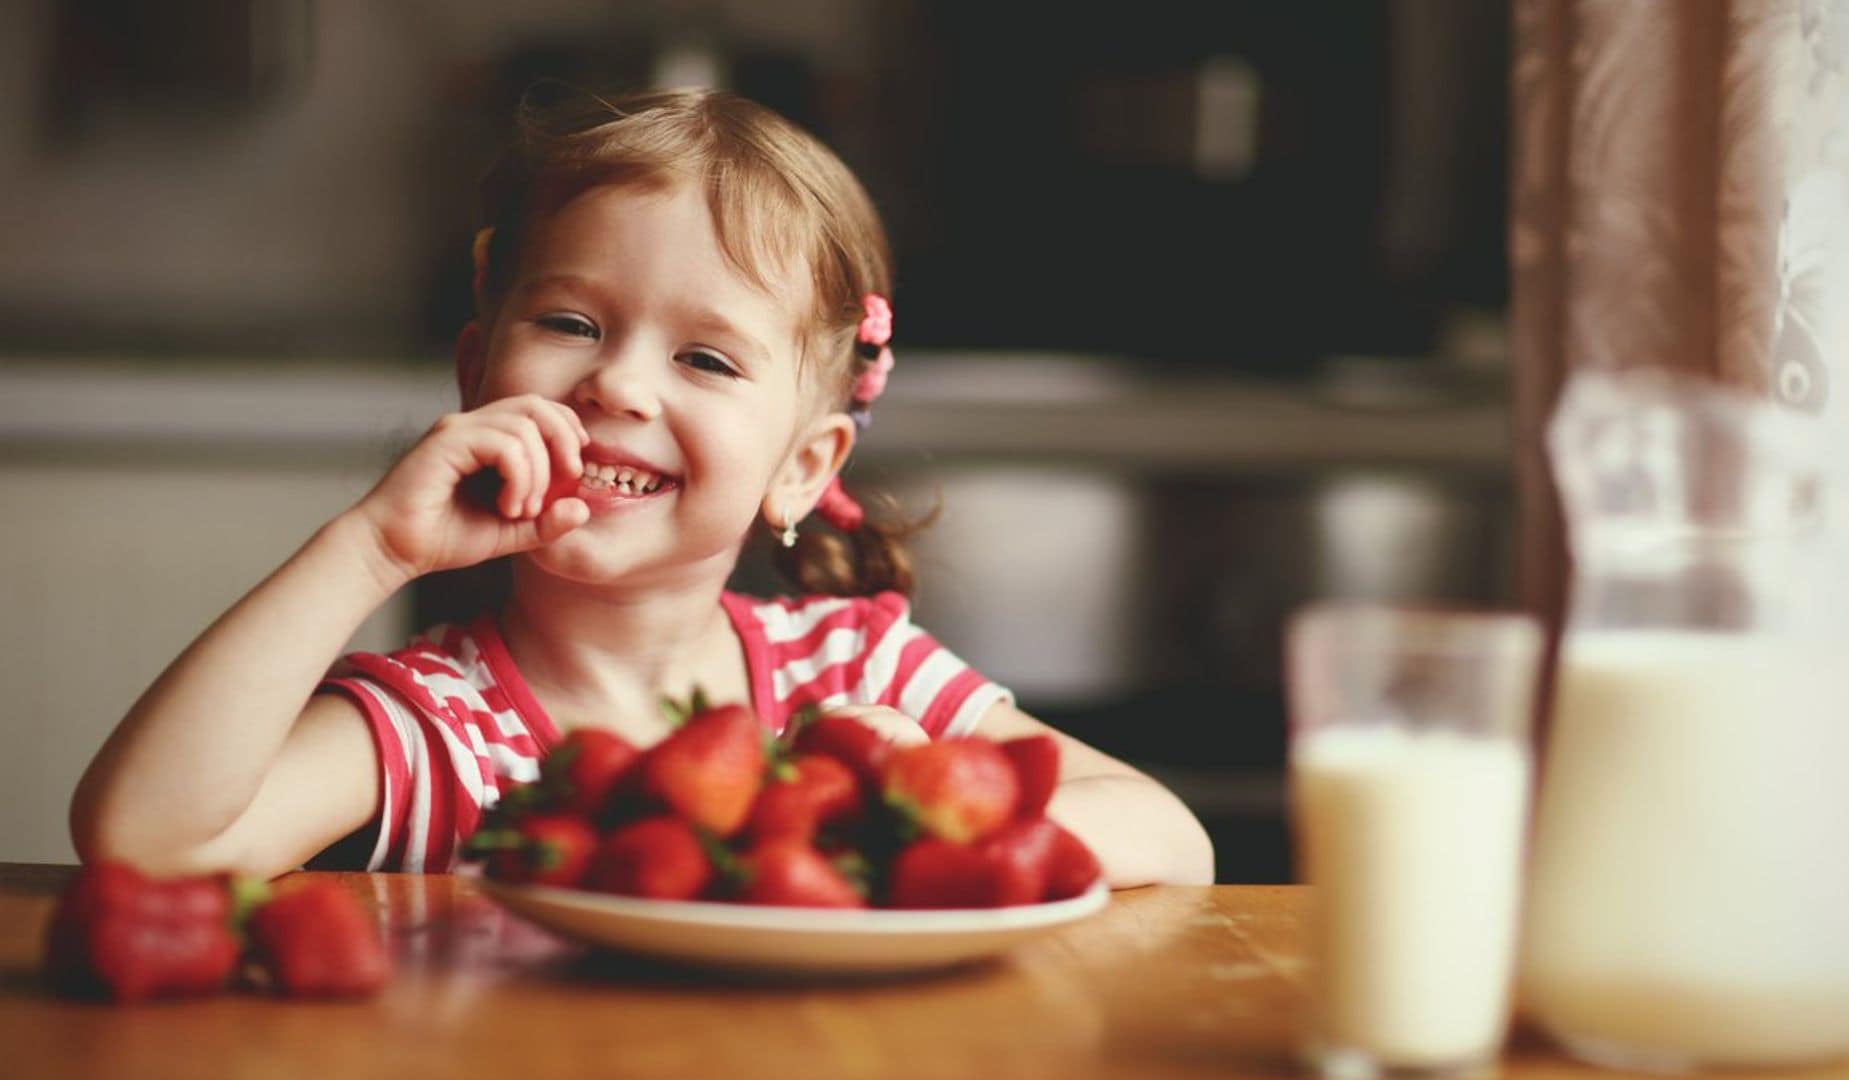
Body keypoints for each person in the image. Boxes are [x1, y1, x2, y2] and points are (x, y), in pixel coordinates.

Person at [69, 88, 1215, 887]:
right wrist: (370, 548)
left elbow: (1170, 835)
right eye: (571, 324)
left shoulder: (856, 675)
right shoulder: (446, 727)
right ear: (477, 378)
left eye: (705, 358)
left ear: (803, 467)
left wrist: (903, 803)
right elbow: (143, 842)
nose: (616, 382)